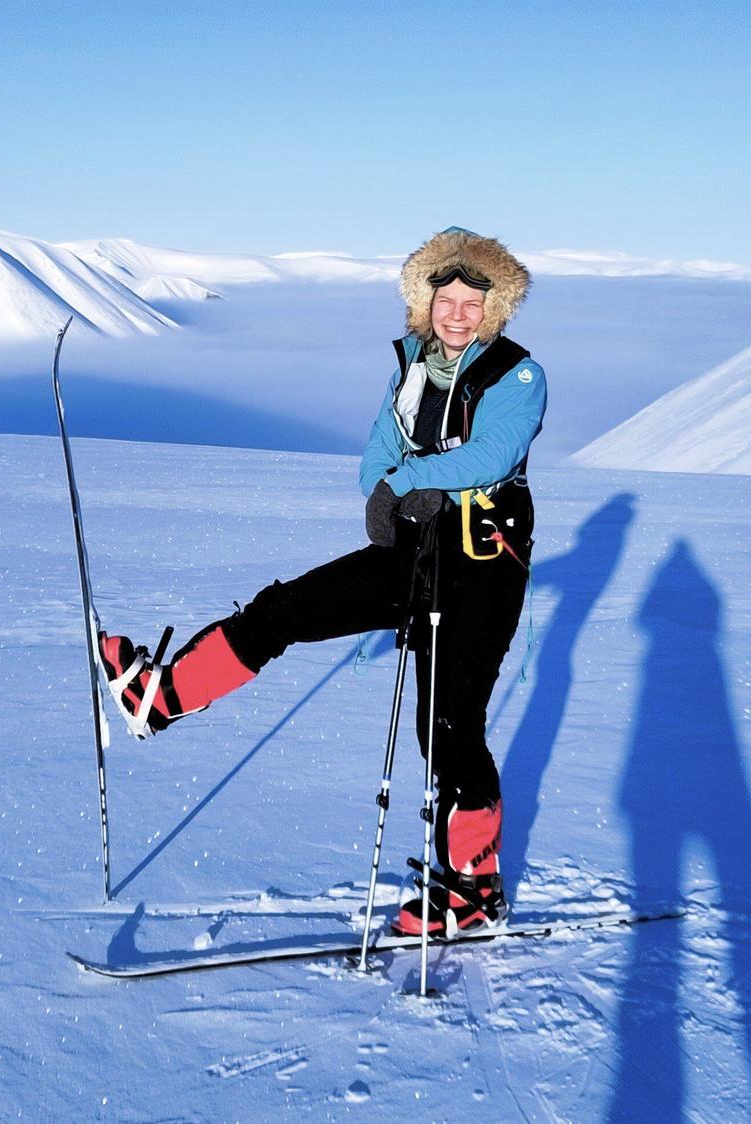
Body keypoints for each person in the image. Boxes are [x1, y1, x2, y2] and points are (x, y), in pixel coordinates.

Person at [99, 227, 546, 936]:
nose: (458, 315)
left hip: (482, 567)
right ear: (424, 302)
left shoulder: (517, 374)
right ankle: (162, 697)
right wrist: (386, 492)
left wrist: (408, 482)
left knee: (449, 728)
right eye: (446, 300)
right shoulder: (411, 368)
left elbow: (493, 454)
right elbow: (378, 452)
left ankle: (473, 890)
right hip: (417, 547)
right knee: (286, 609)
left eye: (472, 303)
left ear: (494, 308)